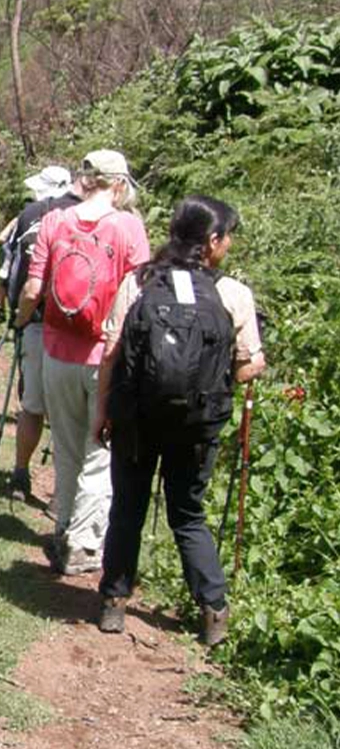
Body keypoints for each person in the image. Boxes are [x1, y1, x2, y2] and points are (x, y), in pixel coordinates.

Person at [94, 196, 264, 645]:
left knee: (128, 508)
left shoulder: (140, 283)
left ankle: (113, 603)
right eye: (227, 236)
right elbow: (246, 366)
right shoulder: (233, 294)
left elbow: (112, 354)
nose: (228, 244)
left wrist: (103, 411)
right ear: (212, 241)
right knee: (188, 514)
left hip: (136, 418)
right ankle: (213, 613)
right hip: (196, 425)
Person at [16, 151, 149, 576]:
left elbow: (34, 286)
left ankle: (62, 530)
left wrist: (18, 321)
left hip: (57, 351)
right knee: (100, 453)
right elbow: (138, 296)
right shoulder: (129, 227)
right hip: (106, 355)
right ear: (118, 183)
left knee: (69, 448)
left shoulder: (56, 222)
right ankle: (85, 544)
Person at [0, 164, 77, 497]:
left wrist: (18, 316)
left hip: (36, 321)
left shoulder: (29, 215)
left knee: (32, 405)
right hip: (79, 329)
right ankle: (63, 493)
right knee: (70, 416)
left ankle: (21, 474)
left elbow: (11, 262)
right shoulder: (89, 215)